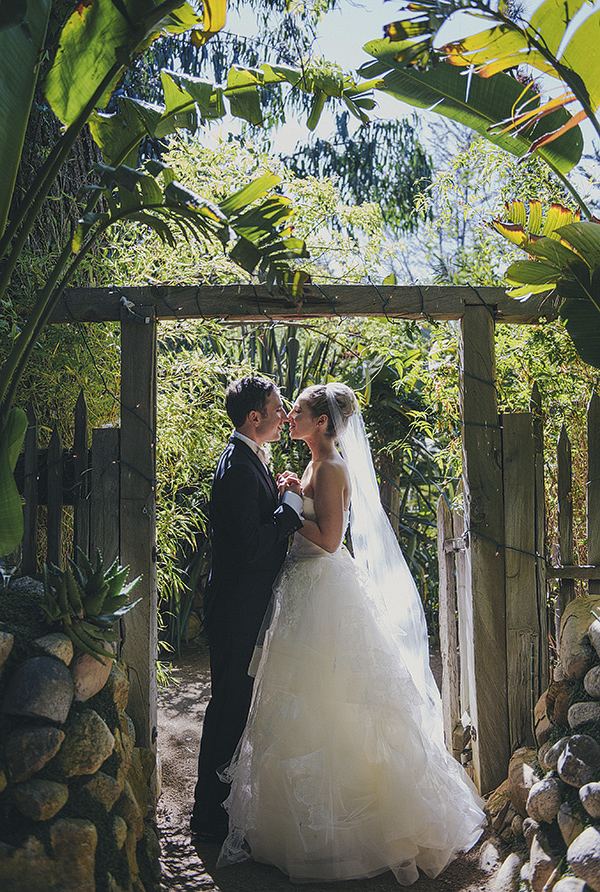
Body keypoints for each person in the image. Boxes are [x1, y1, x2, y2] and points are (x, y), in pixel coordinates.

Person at [217, 383, 486, 884]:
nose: (289, 416)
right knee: (301, 704)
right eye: (287, 410)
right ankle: (305, 823)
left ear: (320, 423)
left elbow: (329, 539)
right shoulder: (318, 467)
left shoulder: (334, 467)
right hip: (301, 590)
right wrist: (295, 495)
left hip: (324, 590)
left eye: (296, 411)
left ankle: (354, 826)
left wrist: (291, 508)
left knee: (333, 702)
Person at [190, 376, 304, 843]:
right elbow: (247, 547)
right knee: (229, 708)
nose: (284, 415)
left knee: (235, 706)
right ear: (254, 417)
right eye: (278, 409)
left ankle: (216, 807)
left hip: (243, 607)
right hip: (237, 611)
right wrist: (290, 510)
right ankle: (208, 816)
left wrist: (276, 499)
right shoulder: (237, 465)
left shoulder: (247, 460)